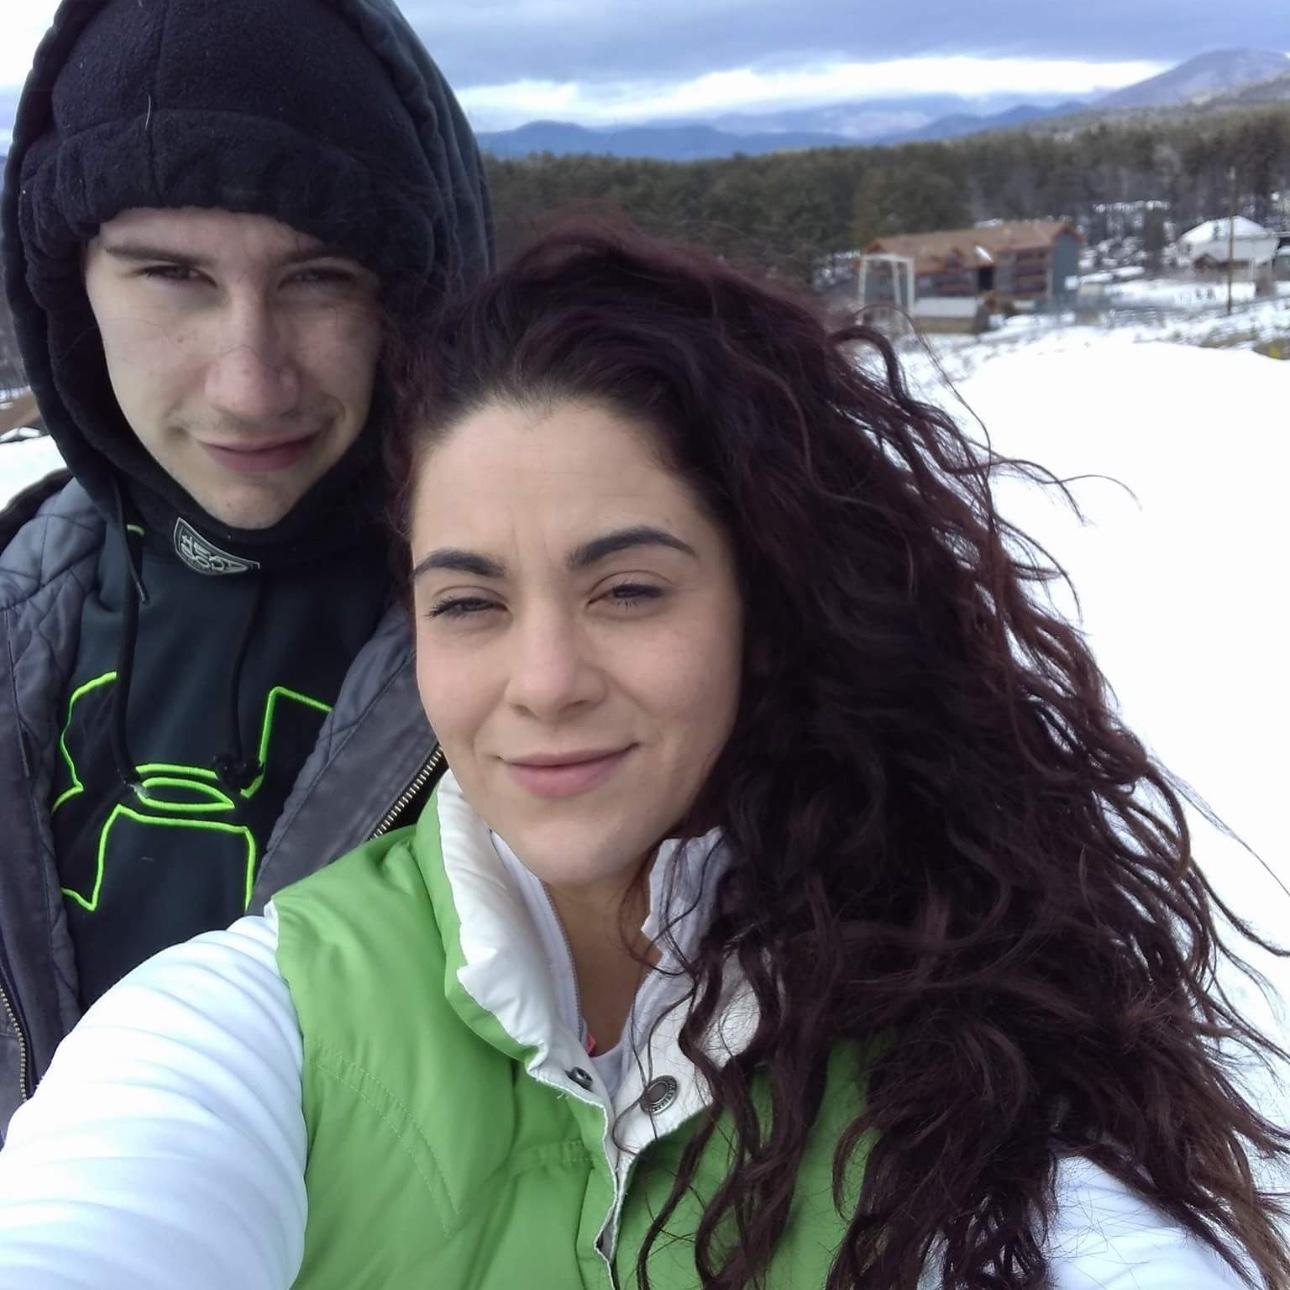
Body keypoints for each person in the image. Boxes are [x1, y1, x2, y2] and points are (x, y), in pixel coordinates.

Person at [0, 222, 1287, 1290]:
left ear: (764, 605)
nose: (544, 680)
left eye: (627, 590)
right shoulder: (255, 1018)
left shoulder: (972, 1029)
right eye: (469, 602)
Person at [0, 0, 490, 1136]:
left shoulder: (557, 659)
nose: (250, 385)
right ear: (69, 289)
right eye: (172, 275)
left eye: (321, 278)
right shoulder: (18, 620)